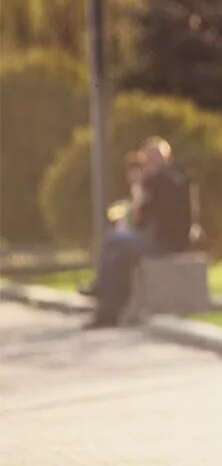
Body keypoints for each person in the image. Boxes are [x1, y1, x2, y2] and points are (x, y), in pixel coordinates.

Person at [84, 137, 192, 329]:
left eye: (152, 159)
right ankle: (108, 308)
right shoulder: (175, 177)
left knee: (112, 241)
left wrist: (140, 193)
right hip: (166, 239)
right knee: (117, 254)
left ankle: (104, 298)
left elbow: (145, 219)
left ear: (164, 158)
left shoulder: (161, 180)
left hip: (164, 242)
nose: (149, 163)